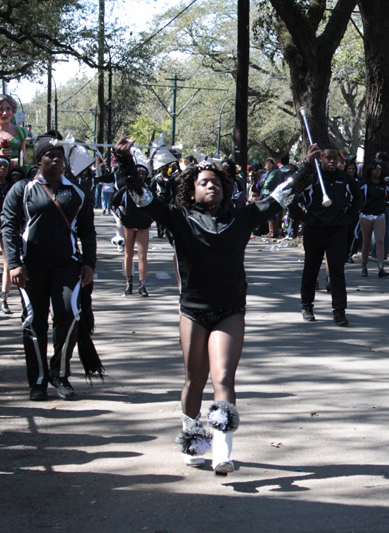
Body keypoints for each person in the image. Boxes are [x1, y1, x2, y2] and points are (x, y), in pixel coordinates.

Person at [113, 135, 313, 474]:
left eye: (217, 182)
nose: (211, 186)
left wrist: (308, 167)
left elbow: (281, 197)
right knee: (195, 379)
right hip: (193, 309)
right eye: (204, 182)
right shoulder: (177, 217)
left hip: (230, 309)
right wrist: (126, 161)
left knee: (223, 378)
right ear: (191, 189)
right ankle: (193, 439)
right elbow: (143, 198)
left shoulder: (243, 216)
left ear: (226, 188)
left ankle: (222, 449)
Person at [1, 131, 96, 401]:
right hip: (31, 267)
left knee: (68, 314)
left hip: (67, 266)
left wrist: (89, 263)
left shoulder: (76, 191)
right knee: (34, 322)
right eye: (49, 156)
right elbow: (8, 227)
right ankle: (39, 379)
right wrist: (14, 264)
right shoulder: (21, 190)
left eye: (59, 156)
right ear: (39, 160)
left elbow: (88, 231)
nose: (55, 160)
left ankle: (60, 374)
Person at [294, 146, 362, 326]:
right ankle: (306, 306)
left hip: (337, 230)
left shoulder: (345, 179)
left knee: (337, 271)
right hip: (314, 229)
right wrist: (303, 217)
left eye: (335, 158)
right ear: (321, 159)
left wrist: (349, 218)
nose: (332, 161)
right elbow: (291, 197)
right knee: (311, 268)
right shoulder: (311, 177)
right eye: (328, 158)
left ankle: (339, 312)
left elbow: (358, 199)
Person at [112, 164, 153, 296]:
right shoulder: (126, 188)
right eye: (138, 173)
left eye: (143, 173)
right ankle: (128, 283)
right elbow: (113, 203)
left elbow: (157, 205)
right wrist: (121, 217)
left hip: (143, 225)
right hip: (128, 224)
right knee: (128, 254)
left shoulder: (148, 189)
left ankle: (142, 285)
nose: (141, 175)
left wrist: (151, 219)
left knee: (142, 256)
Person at [358, 161, 389, 278]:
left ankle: (381, 267)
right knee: (366, 241)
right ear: (370, 171)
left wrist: (388, 203)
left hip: (380, 215)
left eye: (379, 170)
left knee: (380, 240)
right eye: (375, 169)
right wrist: (359, 207)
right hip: (366, 215)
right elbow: (355, 194)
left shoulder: (384, 184)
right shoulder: (364, 184)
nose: (377, 171)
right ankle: (364, 266)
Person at [0, 156, 19, 314]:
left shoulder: (13, 187)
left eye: (5, 166)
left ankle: (3, 298)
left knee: (8, 262)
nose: (2, 169)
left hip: (7, 227)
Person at [0, 95, 30, 168]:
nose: (4, 113)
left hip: (15, 172)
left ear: (13, 111)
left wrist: (15, 160)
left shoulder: (21, 132)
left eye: (8, 109)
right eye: (0, 109)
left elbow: (24, 156)